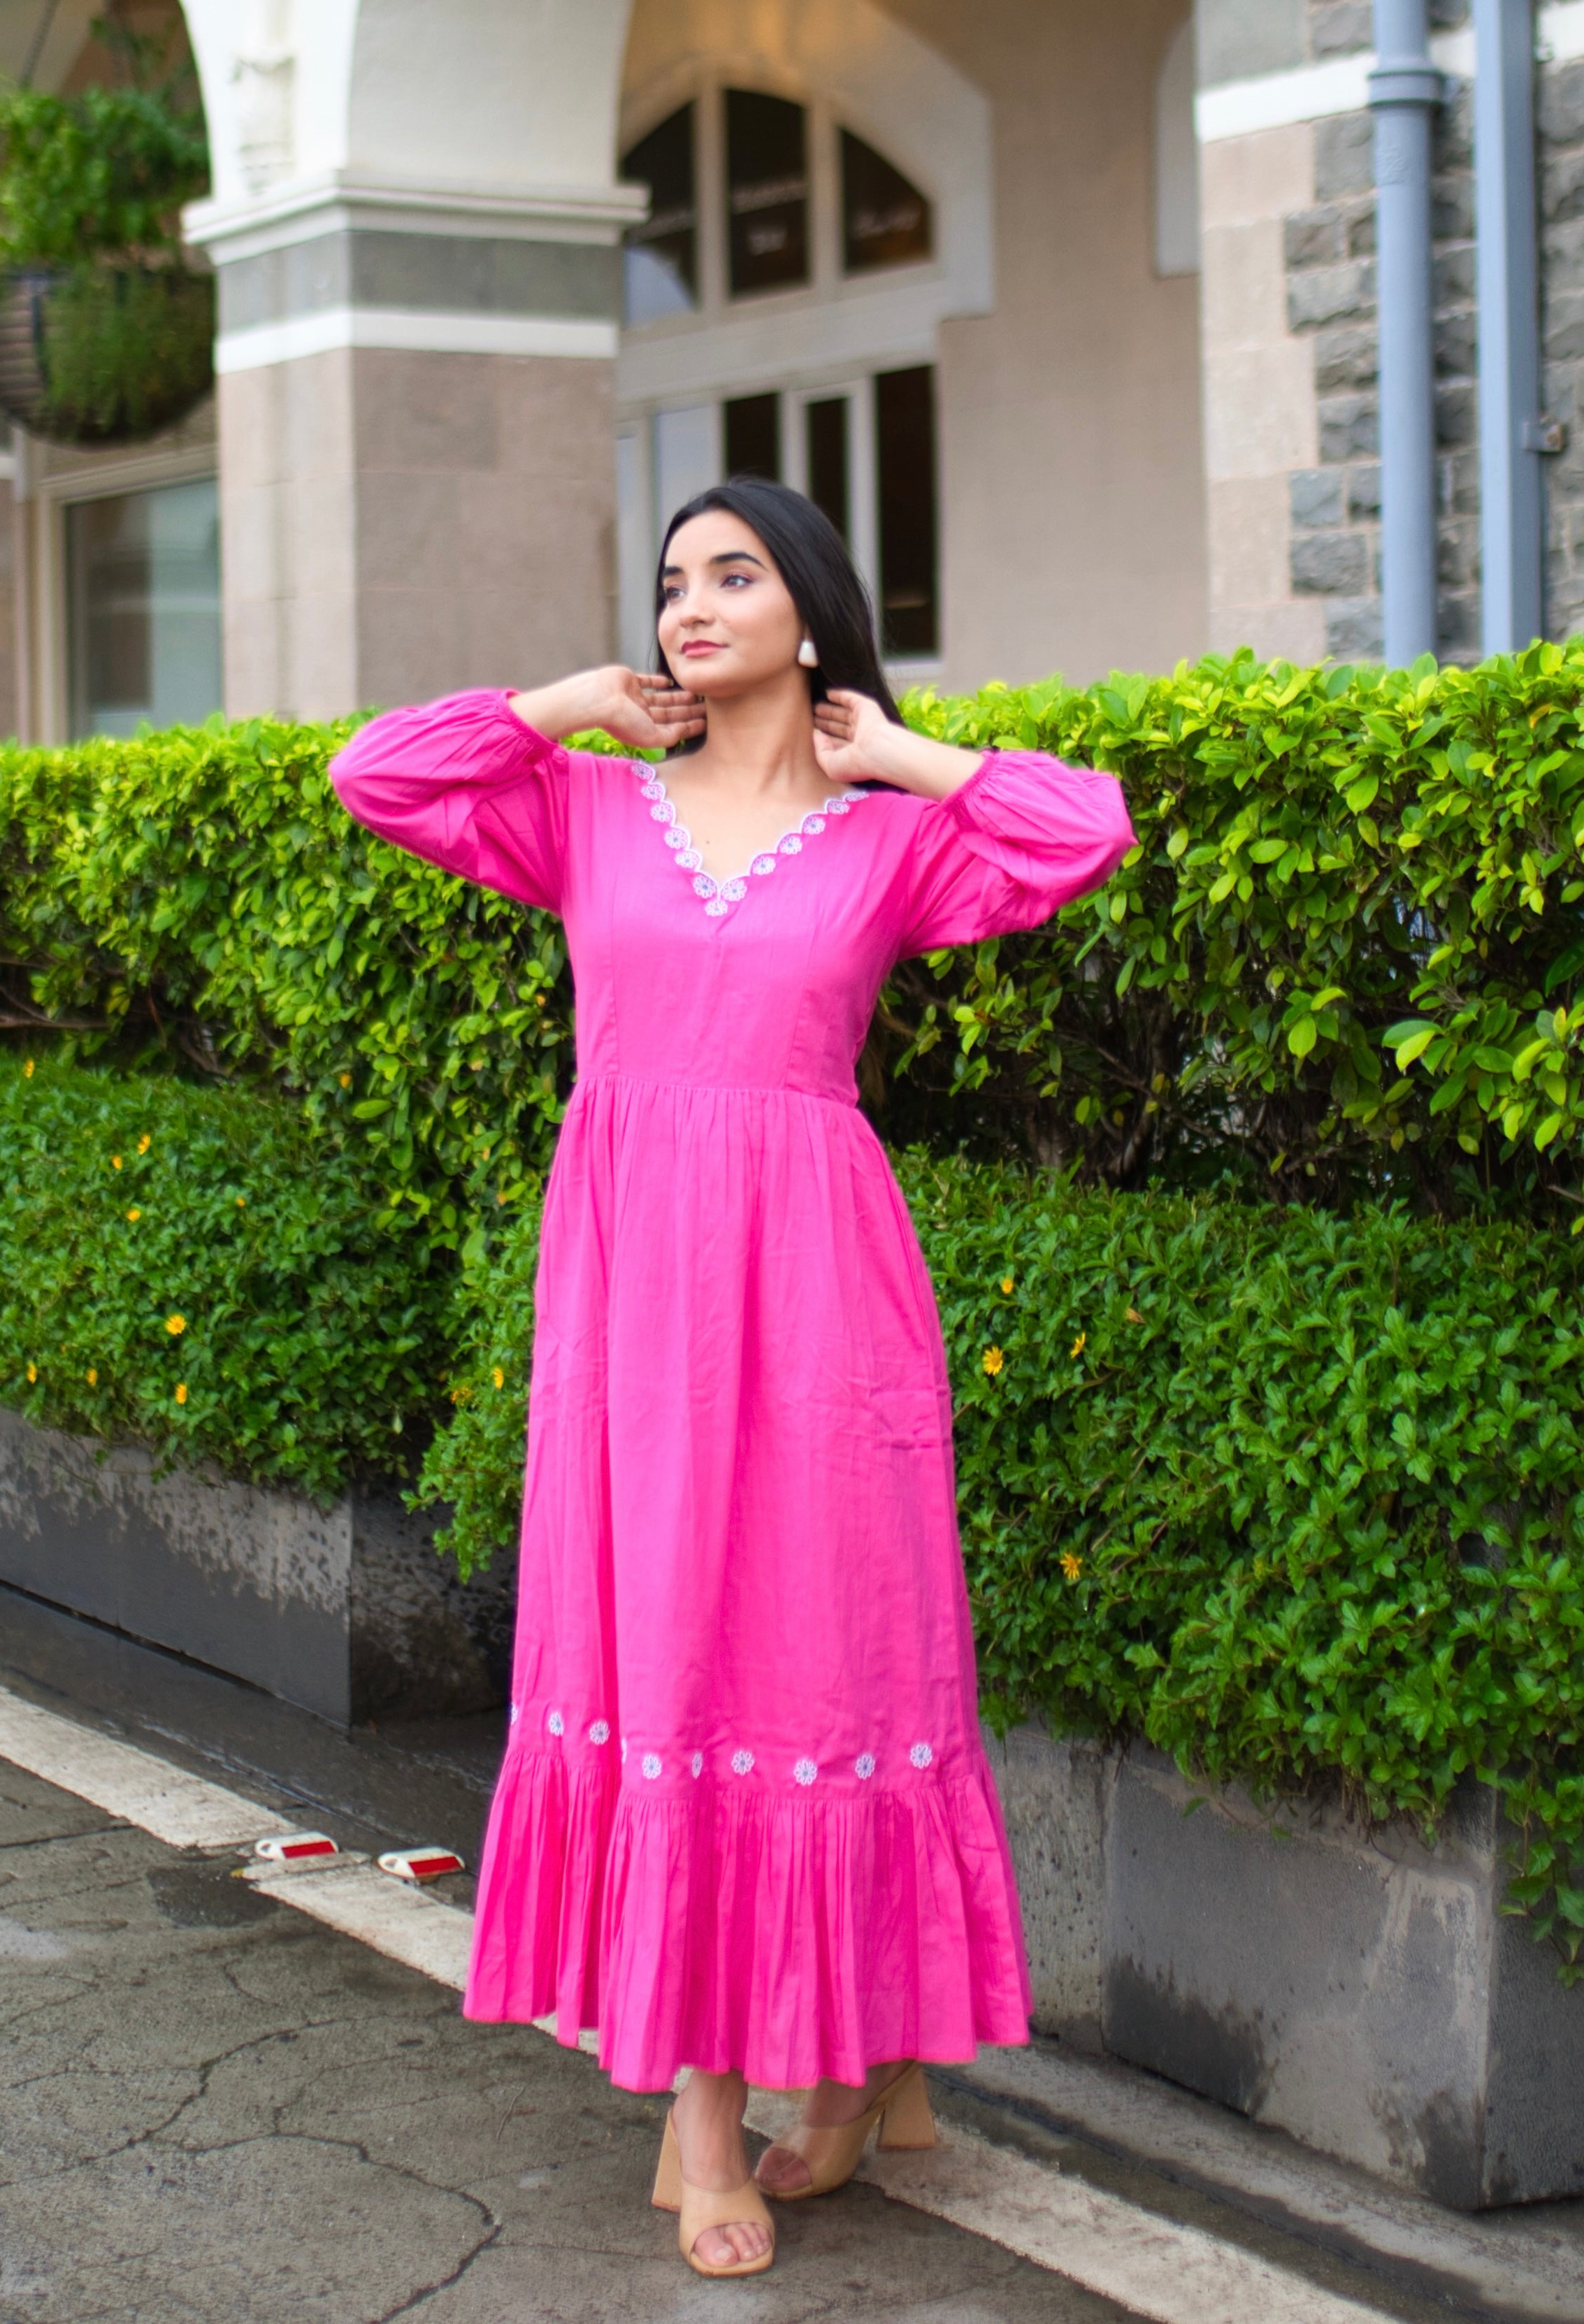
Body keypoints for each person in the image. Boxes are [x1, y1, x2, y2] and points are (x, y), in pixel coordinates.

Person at [329, 478, 1132, 2280]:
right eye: (675, 579)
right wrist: (567, 701)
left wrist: (902, 753)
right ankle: (699, 2116)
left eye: (734, 575)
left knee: (835, 1655)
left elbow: (1084, 833)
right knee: (668, 1655)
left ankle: (855, 2075)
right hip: (633, 1304)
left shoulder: (886, 842)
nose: (692, 604)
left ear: (812, 607)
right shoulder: (590, 815)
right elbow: (378, 772)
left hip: (825, 1292)